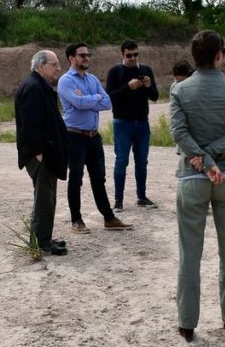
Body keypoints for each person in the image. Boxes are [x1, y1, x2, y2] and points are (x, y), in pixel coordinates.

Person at [169, 30, 225, 342]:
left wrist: (203, 158)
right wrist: (215, 159)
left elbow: (179, 133)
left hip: (192, 177)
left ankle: (187, 324)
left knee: (190, 253)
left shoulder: (179, 90)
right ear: (219, 55)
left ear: (194, 57)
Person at [57, 42, 132, 234]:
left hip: (93, 137)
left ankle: (109, 218)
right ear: (71, 58)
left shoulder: (92, 80)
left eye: (88, 55)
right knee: (76, 178)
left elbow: (107, 102)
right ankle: (76, 221)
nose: (87, 58)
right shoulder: (65, 81)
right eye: (82, 55)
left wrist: (90, 98)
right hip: (74, 137)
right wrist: (94, 98)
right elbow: (78, 103)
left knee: (99, 178)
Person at [15, 50, 69, 256]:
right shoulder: (33, 87)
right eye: (54, 64)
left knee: (48, 197)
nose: (58, 68)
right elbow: (30, 124)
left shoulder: (39, 86)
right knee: (44, 199)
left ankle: (44, 237)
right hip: (40, 155)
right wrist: (37, 152)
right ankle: (41, 243)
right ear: (40, 66)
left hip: (46, 153)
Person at [106, 40, 160, 211]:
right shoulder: (115, 71)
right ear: (122, 54)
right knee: (121, 161)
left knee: (142, 162)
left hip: (142, 124)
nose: (132, 58)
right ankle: (118, 200)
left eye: (135, 54)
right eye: (129, 55)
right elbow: (110, 98)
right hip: (122, 123)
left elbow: (155, 97)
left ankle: (141, 197)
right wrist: (128, 87)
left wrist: (149, 86)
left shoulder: (145, 70)